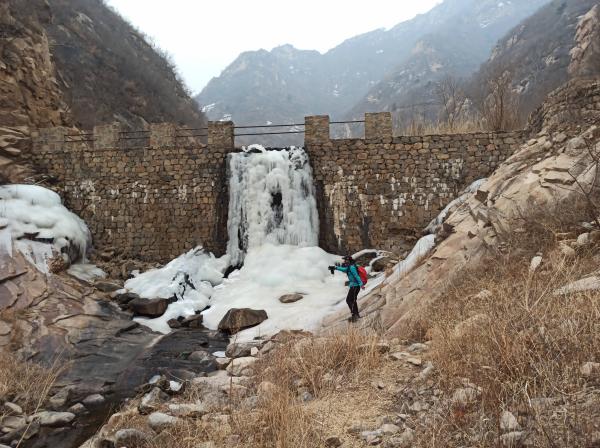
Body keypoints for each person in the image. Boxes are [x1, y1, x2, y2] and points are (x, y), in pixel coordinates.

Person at [329, 255, 364, 322]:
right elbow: (344, 269)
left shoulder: (352, 267)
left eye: (345, 260)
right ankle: (355, 314)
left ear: (348, 260)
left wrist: (361, 284)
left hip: (355, 286)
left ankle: (355, 315)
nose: (344, 261)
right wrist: (335, 268)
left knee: (350, 300)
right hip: (353, 286)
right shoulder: (349, 267)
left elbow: (356, 276)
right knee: (351, 300)